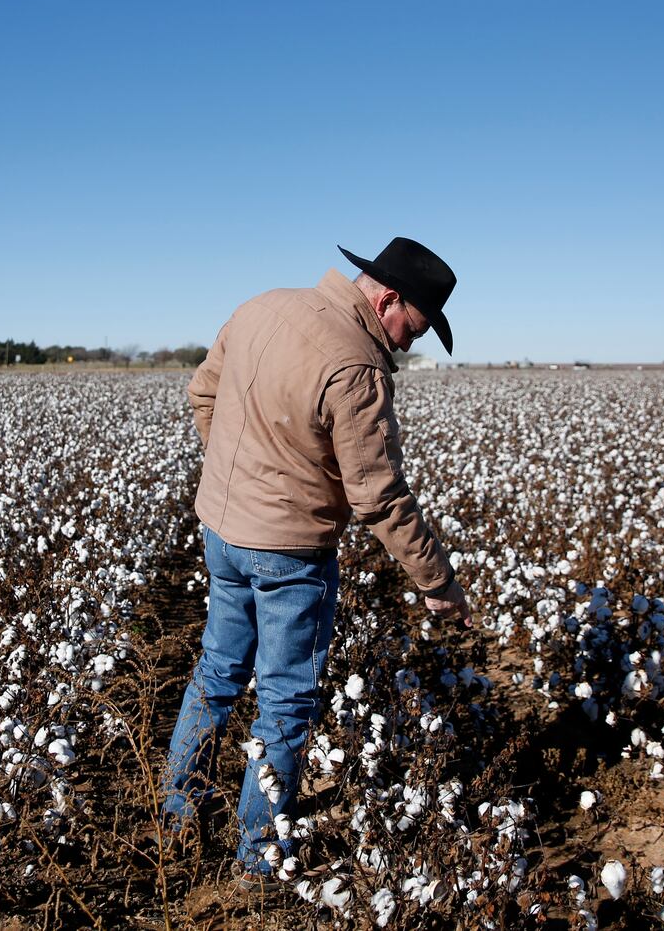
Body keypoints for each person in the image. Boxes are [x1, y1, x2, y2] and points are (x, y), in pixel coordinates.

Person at [158, 236, 473, 889]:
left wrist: (240, 481)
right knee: (285, 699)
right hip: (289, 555)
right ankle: (259, 857)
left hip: (221, 530)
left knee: (217, 670)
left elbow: (202, 394)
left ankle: (176, 819)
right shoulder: (355, 365)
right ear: (388, 299)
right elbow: (378, 495)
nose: (407, 346)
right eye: (412, 328)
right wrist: (437, 582)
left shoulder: (261, 306)